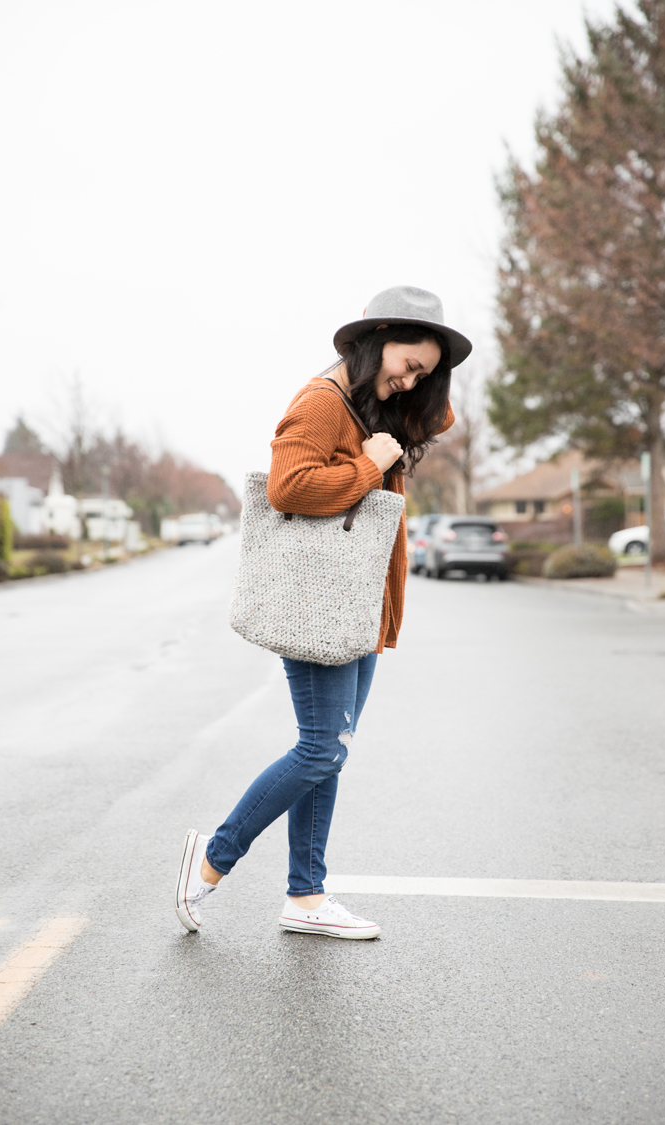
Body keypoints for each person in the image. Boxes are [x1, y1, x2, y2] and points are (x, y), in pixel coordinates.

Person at [175, 285, 471, 940]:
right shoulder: (321, 403)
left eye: (423, 372)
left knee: (330, 752)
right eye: (406, 362)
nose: (411, 379)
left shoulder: (374, 405)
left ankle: (305, 897)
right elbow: (290, 486)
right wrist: (367, 466)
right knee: (321, 747)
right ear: (376, 337)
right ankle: (213, 859)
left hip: (355, 606)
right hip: (319, 606)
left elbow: (440, 417)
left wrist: (423, 374)